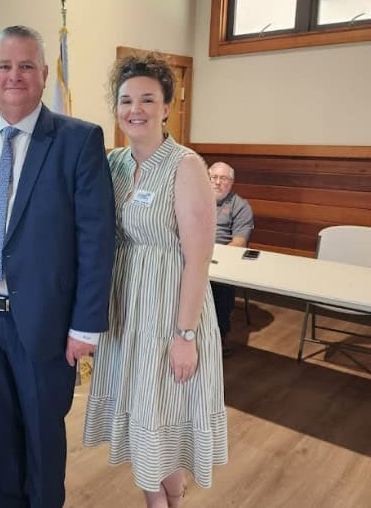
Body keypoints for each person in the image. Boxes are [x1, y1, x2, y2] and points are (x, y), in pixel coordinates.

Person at [0, 25, 115, 508]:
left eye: (26, 66)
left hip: (46, 322)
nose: (15, 76)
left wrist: (86, 325)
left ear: (45, 75)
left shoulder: (78, 140)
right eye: (5, 66)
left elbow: (96, 239)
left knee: (43, 438)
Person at [84, 53, 227, 507]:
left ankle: (161, 500)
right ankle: (169, 495)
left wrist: (185, 334)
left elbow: (199, 256)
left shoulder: (186, 166)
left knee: (160, 413)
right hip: (128, 310)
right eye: (126, 100)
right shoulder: (115, 164)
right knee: (141, 415)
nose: (135, 109)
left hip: (170, 311)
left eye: (148, 98)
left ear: (167, 105)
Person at [208, 161, 254, 356]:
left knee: (220, 285)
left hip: (222, 260)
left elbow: (239, 243)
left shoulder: (241, 206)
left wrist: (212, 256)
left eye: (224, 178)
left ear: (231, 182)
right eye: (214, 178)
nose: (218, 182)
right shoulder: (194, 199)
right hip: (191, 254)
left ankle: (219, 336)